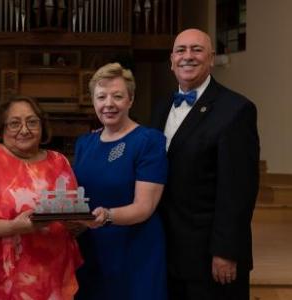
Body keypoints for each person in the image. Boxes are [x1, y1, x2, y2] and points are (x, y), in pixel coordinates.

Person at [150, 28, 260, 300]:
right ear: (171, 59)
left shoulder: (236, 110)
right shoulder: (161, 107)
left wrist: (226, 251)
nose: (188, 56)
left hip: (210, 256)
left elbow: (238, 190)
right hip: (168, 250)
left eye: (197, 50)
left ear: (211, 59)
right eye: (181, 50)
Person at [0, 96, 83, 300]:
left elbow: (73, 212)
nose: (24, 130)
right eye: (15, 123)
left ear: (42, 125)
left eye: (32, 122)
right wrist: (15, 227)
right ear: (2, 127)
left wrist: (78, 224)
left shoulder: (59, 161)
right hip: (1, 279)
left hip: (51, 276)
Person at [73, 62, 168, 299]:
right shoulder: (85, 143)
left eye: (117, 96)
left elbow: (144, 207)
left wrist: (107, 216)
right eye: (101, 96)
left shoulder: (149, 141)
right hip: (91, 250)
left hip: (134, 251)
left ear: (130, 100)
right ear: (93, 101)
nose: (108, 104)